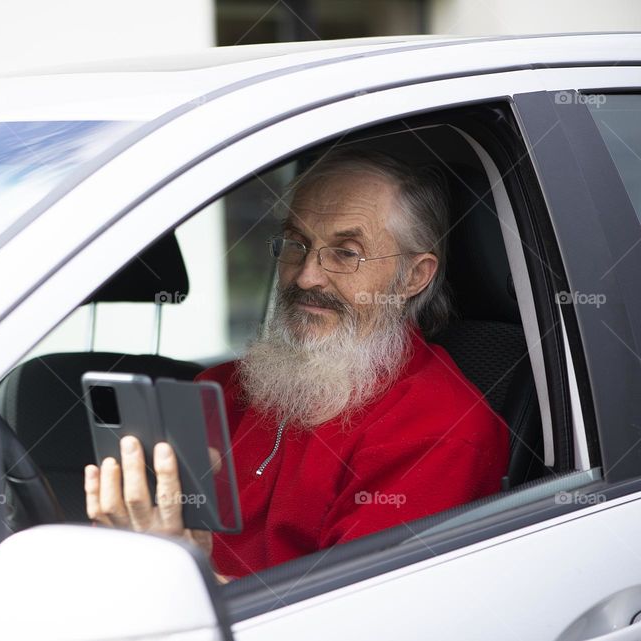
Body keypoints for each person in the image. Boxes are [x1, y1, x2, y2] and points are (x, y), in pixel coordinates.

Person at [83, 148, 508, 580]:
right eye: (296, 245)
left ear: (415, 276)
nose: (306, 276)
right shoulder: (223, 386)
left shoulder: (442, 432)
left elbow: (352, 616)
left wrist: (186, 578)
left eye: (346, 253)